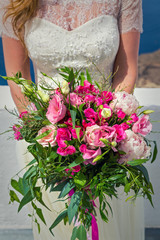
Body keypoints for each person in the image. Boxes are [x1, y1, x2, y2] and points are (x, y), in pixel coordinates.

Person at [0, 0, 144, 239]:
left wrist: (105, 135)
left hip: (106, 145)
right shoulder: (14, 2)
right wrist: (46, 136)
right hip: (44, 144)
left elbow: (126, 70)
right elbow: (17, 79)